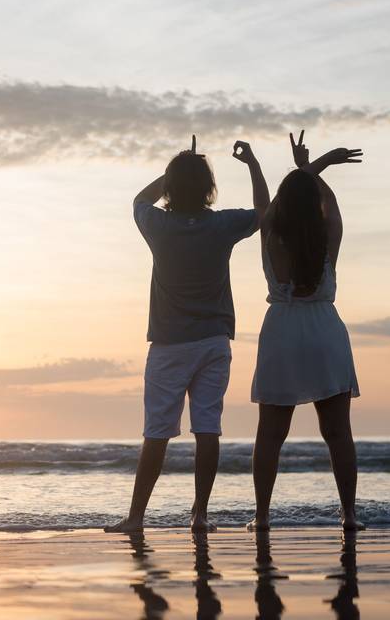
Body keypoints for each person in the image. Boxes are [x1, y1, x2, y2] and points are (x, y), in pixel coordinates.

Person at [105, 135, 269, 533]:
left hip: (168, 345)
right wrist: (251, 164)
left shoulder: (158, 225)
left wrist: (171, 174)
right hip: (213, 340)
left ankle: (136, 517)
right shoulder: (222, 223)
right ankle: (199, 515)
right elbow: (265, 211)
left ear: (172, 189)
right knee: (207, 428)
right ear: (208, 188)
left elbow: (137, 201)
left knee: (157, 433)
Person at [248, 130, 364, 531]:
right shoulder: (328, 237)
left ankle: (262, 517)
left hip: (282, 332)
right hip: (324, 332)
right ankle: (348, 514)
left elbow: (266, 205)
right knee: (337, 433)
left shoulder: (270, 233)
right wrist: (313, 168)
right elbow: (330, 204)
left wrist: (300, 169)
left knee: (270, 434)